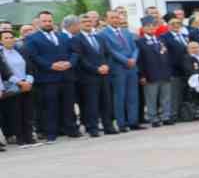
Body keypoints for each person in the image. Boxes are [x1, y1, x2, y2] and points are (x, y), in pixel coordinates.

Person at [20, 10, 77, 142]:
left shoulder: (63, 36)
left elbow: (74, 52)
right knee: (50, 107)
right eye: (44, 21)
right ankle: (51, 133)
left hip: (66, 76)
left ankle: (71, 129)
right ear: (39, 22)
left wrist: (70, 63)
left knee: (68, 105)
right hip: (47, 79)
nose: (47, 23)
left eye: (49, 21)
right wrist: (51, 65)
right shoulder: (31, 38)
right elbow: (34, 57)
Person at [69, 13, 116, 136]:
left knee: (106, 102)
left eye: (89, 21)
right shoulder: (76, 39)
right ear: (79, 25)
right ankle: (93, 128)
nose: (88, 24)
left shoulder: (99, 37)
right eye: (84, 22)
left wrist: (106, 66)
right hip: (88, 77)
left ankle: (108, 126)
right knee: (92, 104)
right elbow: (80, 58)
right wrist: (96, 69)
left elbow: (107, 54)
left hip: (104, 75)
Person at [102, 9, 143, 130]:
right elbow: (111, 50)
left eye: (117, 17)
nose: (115, 20)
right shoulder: (103, 34)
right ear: (107, 20)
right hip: (118, 68)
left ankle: (133, 121)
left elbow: (135, 48)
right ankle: (121, 123)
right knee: (119, 97)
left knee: (133, 96)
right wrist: (126, 60)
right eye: (112, 18)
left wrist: (133, 59)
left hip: (132, 67)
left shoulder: (126, 32)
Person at [137, 16, 178, 126]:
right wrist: (142, 75)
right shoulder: (140, 42)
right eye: (148, 26)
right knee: (151, 98)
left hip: (164, 73)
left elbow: (168, 56)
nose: (151, 28)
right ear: (143, 28)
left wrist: (169, 71)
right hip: (150, 74)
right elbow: (139, 61)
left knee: (166, 97)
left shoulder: (161, 40)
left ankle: (166, 116)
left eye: (153, 26)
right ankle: (153, 118)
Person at [0, 30, 36, 147]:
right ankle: (20, 138)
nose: (10, 39)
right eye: (6, 38)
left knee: (28, 113)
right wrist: (20, 83)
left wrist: (28, 82)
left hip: (27, 86)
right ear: (1, 41)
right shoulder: (1, 54)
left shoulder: (20, 51)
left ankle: (29, 137)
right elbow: (5, 73)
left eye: (11, 37)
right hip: (13, 88)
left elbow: (30, 68)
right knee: (16, 114)